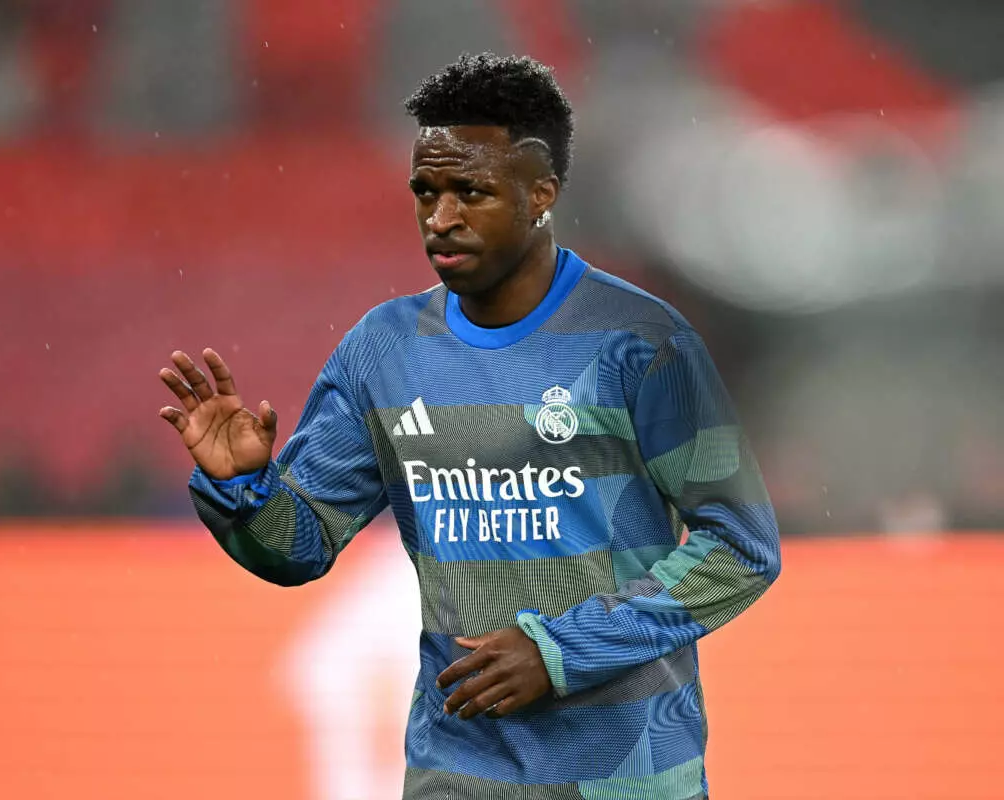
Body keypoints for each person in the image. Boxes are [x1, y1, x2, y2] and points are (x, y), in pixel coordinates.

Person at [158, 52, 780, 800]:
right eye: (426, 191)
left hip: (628, 776)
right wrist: (242, 490)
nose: (439, 218)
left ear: (541, 193)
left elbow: (740, 550)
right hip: (459, 773)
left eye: (471, 192)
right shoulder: (383, 350)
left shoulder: (643, 343)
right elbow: (296, 548)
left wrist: (558, 652)